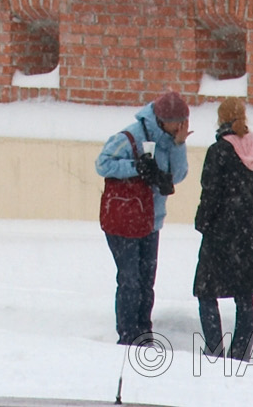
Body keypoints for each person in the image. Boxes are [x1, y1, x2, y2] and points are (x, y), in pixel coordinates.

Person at [93, 89, 192, 346]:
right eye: (176, 122)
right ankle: (127, 336)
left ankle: (144, 334)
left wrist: (179, 145)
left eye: (184, 122)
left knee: (147, 282)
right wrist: (136, 168)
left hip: (151, 221)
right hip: (124, 220)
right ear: (161, 119)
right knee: (130, 280)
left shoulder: (173, 140)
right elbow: (102, 163)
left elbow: (178, 176)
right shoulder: (132, 136)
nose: (181, 127)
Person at [191, 96, 253, 360]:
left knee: (205, 289)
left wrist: (203, 221)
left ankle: (213, 347)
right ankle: (241, 353)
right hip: (251, 227)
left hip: (222, 229)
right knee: (244, 292)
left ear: (220, 120)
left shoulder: (218, 152)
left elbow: (210, 192)